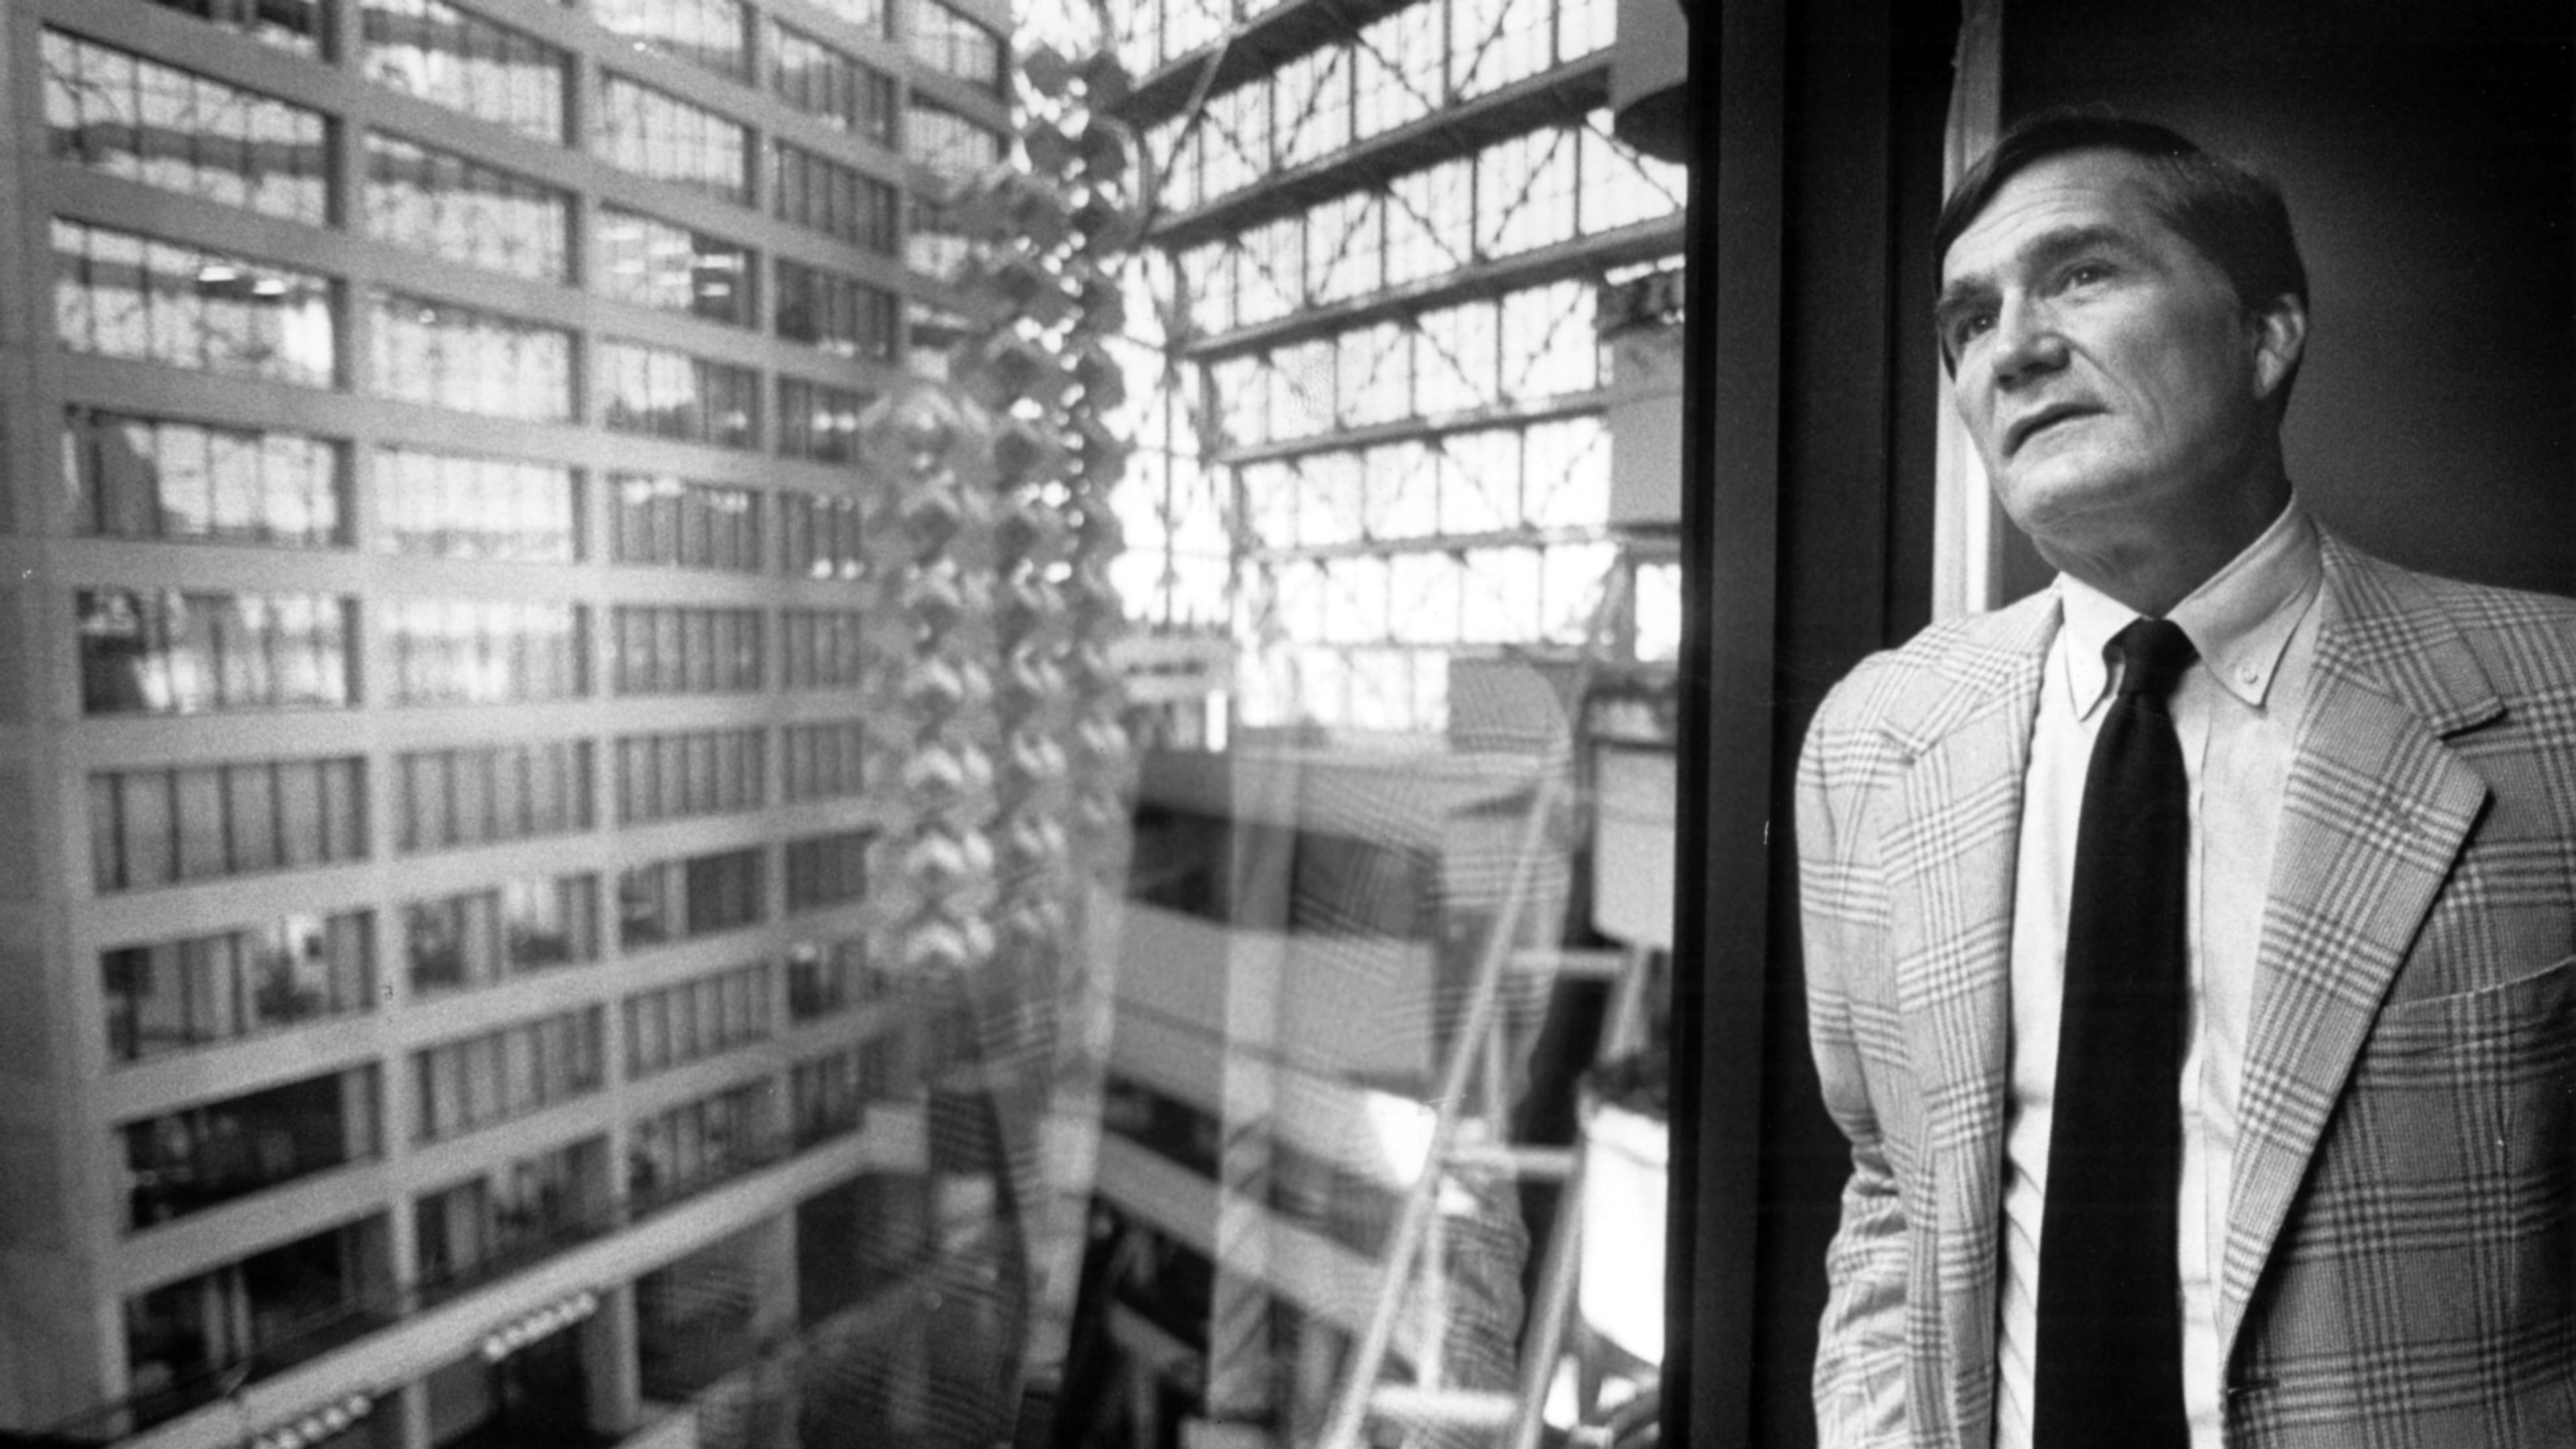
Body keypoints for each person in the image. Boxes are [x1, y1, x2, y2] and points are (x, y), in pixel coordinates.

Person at [1796, 110, 2576, 1448]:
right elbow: (1891, 1190)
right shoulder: (1877, 737)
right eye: (1971, 320)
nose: (2016, 346)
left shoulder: (2554, 702)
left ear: (2267, 336)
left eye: (2084, 274)